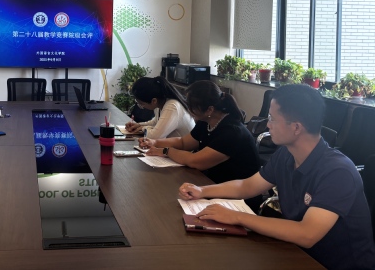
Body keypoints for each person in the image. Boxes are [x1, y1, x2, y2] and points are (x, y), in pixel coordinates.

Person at [179, 84, 375, 270]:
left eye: (272, 118)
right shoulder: (286, 154)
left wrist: (237, 217)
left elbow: (307, 234)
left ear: (296, 127)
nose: (267, 124)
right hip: (295, 252)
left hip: (332, 264)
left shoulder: (337, 172)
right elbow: (247, 186)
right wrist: (202, 191)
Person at [139, 80, 261, 209]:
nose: (188, 109)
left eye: (191, 106)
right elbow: (183, 142)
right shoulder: (206, 121)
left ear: (209, 109)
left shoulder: (232, 132)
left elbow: (195, 161)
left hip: (238, 199)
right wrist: (155, 142)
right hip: (213, 184)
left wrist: (166, 151)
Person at [124, 76, 194, 139]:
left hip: (184, 149)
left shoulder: (172, 106)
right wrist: (138, 125)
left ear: (154, 101)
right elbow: (155, 122)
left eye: (142, 104)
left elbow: (155, 137)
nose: (141, 107)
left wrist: (143, 128)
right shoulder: (160, 104)